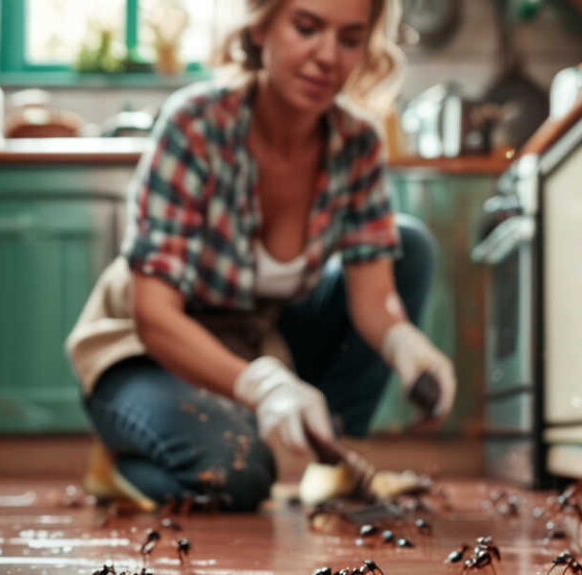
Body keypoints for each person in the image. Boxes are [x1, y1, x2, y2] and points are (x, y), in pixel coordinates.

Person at [66, 0, 456, 512]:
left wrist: (408, 346)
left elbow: (374, 297)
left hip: (255, 339)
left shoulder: (357, 142)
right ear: (263, 25)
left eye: (349, 38)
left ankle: (332, 458)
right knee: (236, 476)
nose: (327, 57)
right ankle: (120, 462)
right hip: (143, 349)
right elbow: (154, 317)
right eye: (307, 27)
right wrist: (265, 386)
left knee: (411, 245)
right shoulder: (195, 126)